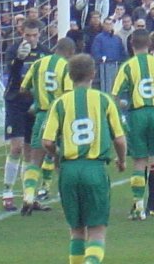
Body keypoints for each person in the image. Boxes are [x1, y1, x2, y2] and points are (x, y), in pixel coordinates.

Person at [42, 53, 127, 264]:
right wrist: (122, 160)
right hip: (94, 169)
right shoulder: (104, 100)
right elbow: (120, 139)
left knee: (76, 230)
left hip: (69, 170)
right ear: (93, 74)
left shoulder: (60, 103)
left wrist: (58, 156)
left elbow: (47, 141)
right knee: (97, 230)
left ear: (70, 76)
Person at [111, 29, 154, 221]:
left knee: (139, 162)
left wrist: (120, 117)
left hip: (138, 115)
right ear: (149, 45)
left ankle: (139, 207)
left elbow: (115, 95)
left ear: (132, 45)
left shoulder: (127, 66)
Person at [19, 37, 76, 214]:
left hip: (42, 115)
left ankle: (28, 196)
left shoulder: (38, 64)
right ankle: (69, 198)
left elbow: (23, 89)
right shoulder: (67, 67)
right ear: (70, 53)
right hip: (59, 116)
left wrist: (37, 99)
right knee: (63, 158)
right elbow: (68, 94)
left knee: (35, 158)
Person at [2, 19, 52, 212]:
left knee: (31, 151)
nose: (31, 39)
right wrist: (18, 60)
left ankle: (28, 195)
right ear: (22, 33)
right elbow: (12, 75)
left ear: (40, 34)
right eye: (27, 35)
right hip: (15, 102)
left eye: (34, 35)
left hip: (34, 104)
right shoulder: (13, 50)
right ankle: (7, 193)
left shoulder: (45, 53)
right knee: (16, 147)